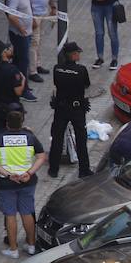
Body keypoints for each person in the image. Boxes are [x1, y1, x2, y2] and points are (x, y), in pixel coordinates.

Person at [0, 110, 46, 258]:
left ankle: (13, 249)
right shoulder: (30, 138)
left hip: (6, 183)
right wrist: (29, 172)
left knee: (10, 215)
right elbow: (41, 157)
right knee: (27, 213)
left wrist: (8, 174)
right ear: (22, 123)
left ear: (7, 123)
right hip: (27, 182)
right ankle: (31, 245)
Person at [48, 42, 92, 179]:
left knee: (57, 138)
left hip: (61, 107)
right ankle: (84, 170)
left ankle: (53, 169)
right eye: (77, 53)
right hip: (77, 108)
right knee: (81, 139)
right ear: (73, 55)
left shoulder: (57, 68)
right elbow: (86, 84)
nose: (79, 54)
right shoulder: (81, 70)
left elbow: (56, 84)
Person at [5, 0, 36, 102]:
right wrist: (21, 27)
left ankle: (18, 85)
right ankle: (23, 90)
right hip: (19, 35)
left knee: (19, 61)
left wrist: (32, 21)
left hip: (26, 33)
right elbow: (11, 14)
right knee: (23, 61)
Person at [25, 0, 55, 83]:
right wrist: (31, 18)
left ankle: (38, 64)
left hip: (43, 12)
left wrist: (52, 5)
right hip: (35, 14)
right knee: (34, 42)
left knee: (40, 40)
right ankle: (32, 71)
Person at [0, 41, 25, 137]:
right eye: (9, 49)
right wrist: (23, 81)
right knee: (14, 134)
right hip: (12, 109)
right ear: (4, 53)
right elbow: (18, 92)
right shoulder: (13, 70)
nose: (11, 50)